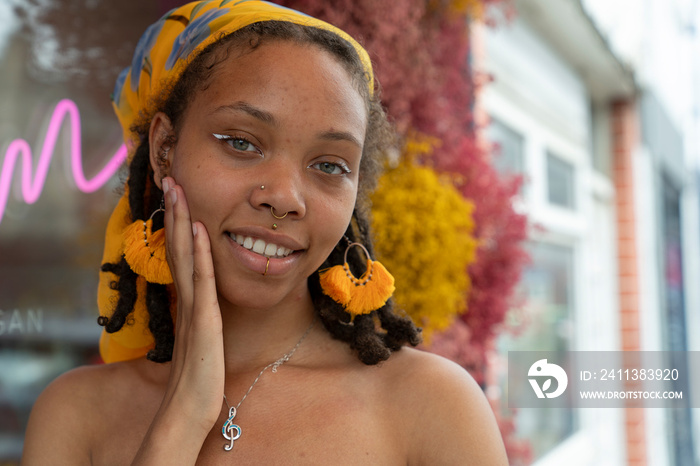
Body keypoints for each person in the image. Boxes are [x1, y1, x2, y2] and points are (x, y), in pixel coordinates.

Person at [22, 1, 508, 464]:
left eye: (329, 165)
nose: (284, 197)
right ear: (165, 148)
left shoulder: (432, 406)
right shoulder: (75, 416)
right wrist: (185, 414)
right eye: (241, 142)